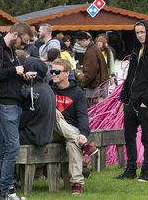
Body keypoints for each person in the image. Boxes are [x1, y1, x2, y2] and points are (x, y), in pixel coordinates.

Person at [0, 22, 34, 200]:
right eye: (23, 41)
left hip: (12, 104)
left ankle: (4, 192)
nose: (23, 45)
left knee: (4, 148)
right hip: (6, 104)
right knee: (12, 147)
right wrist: (14, 70)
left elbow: (5, 74)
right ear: (14, 34)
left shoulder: (10, 50)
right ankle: (5, 192)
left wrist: (22, 75)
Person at [115, 21, 148, 182]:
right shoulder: (135, 52)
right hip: (131, 101)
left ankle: (146, 171)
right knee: (129, 136)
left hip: (145, 103)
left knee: (146, 137)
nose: (140, 35)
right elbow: (130, 77)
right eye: (137, 33)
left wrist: (147, 100)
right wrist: (124, 99)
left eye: (142, 32)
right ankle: (130, 170)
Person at [50, 58, 98, 195]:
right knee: (56, 116)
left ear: (67, 73)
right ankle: (84, 144)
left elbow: (83, 116)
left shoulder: (77, 92)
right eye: (52, 71)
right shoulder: (48, 89)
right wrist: (52, 110)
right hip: (51, 132)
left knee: (73, 144)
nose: (53, 74)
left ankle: (77, 184)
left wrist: (83, 134)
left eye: (57, 71)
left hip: (70, 133)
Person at [74, 32, 109, 104]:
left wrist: (82, 79)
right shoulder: (94, 48)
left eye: (79, 43)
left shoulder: (91, 51)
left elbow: (90, 73)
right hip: (100, 85)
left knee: (95, 112)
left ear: (84, 40)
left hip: (95, 87)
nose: (79, 45)